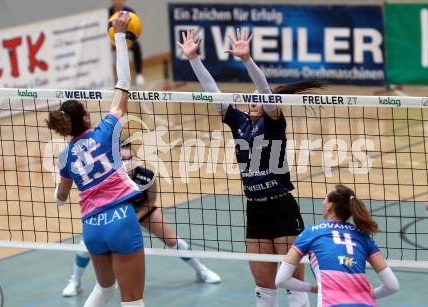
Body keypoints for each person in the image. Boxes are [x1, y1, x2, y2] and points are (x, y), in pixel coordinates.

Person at [178, 28, 326, 307]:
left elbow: (267, 92)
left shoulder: (273, 122)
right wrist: (194, 59)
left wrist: (247, 60)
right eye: (251, 96)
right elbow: (214, 94)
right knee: (264, 287)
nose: (253, 99)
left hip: (282, 208)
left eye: (257, 96)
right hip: (255, 209)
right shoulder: (239, 123)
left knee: (292, 286)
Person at [48, 13, 145, 307]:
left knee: (105, 290)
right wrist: (119, 36)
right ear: (87, 118)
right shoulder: (105, 131)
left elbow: (61, 198)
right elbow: (123, 84)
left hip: (91, 228)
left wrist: (59, 193)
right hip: (120, 220)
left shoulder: (65, 155)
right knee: (132, 300)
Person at [62, 145, 221, 297]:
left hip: (141, 211)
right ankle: (75, 281)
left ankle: (201, 270)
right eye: (121, 159)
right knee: (86, 245)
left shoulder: (147, 176)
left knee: (172, 240)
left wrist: (133, 219)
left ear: (136, 158)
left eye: (129, 158)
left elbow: (150, 202)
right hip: (113, 215)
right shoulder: (107, 178)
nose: (126, 162)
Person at [275, 185, 400, 306]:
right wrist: (367, 294)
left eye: (325, 198)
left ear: (330, 205)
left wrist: (315, 289)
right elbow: (392, 286)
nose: (322, 203)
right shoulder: (364, 237)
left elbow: (281, 280)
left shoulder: (311, 233)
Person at [109, 0, 144, 85]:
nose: (117, 2)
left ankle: (139, 74)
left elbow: (135, 30)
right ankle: (108, 79)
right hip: (111, 41)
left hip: (127, 39)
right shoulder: (108, 12)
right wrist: (112, 43)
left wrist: (128, 43)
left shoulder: (130, 12)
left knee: (137, 46)